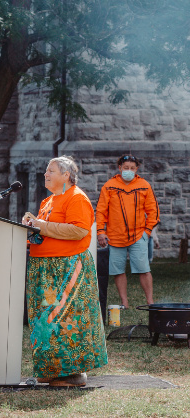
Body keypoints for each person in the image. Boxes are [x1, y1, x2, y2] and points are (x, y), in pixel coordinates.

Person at [22, 156, 108, 387]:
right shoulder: (48, 201)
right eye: (46, 171)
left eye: (51, 171)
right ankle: (52, 369)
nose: (45, 174)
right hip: (45, 267)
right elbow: (47, 230)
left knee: (66, 319)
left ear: (66, 175)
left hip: (67, 269)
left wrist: (40, 225)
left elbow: (79, 231)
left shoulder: (77, 198)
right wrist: (31, 226)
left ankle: (73, 373)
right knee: (47, 320)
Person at [96, 154, 160, 307]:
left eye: (132, 168)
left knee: (144, 269)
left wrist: (147, 232)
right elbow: (101, 211)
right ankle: (124, 302)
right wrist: (100, 231)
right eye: (126, 168)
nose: (129, 170)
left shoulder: (144, 185)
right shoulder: (109, 185)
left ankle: (150, 301)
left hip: (139, 235)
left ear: (136, 169)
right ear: (120, 168)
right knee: (118, 271)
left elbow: (153, 211)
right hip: (115, 237)